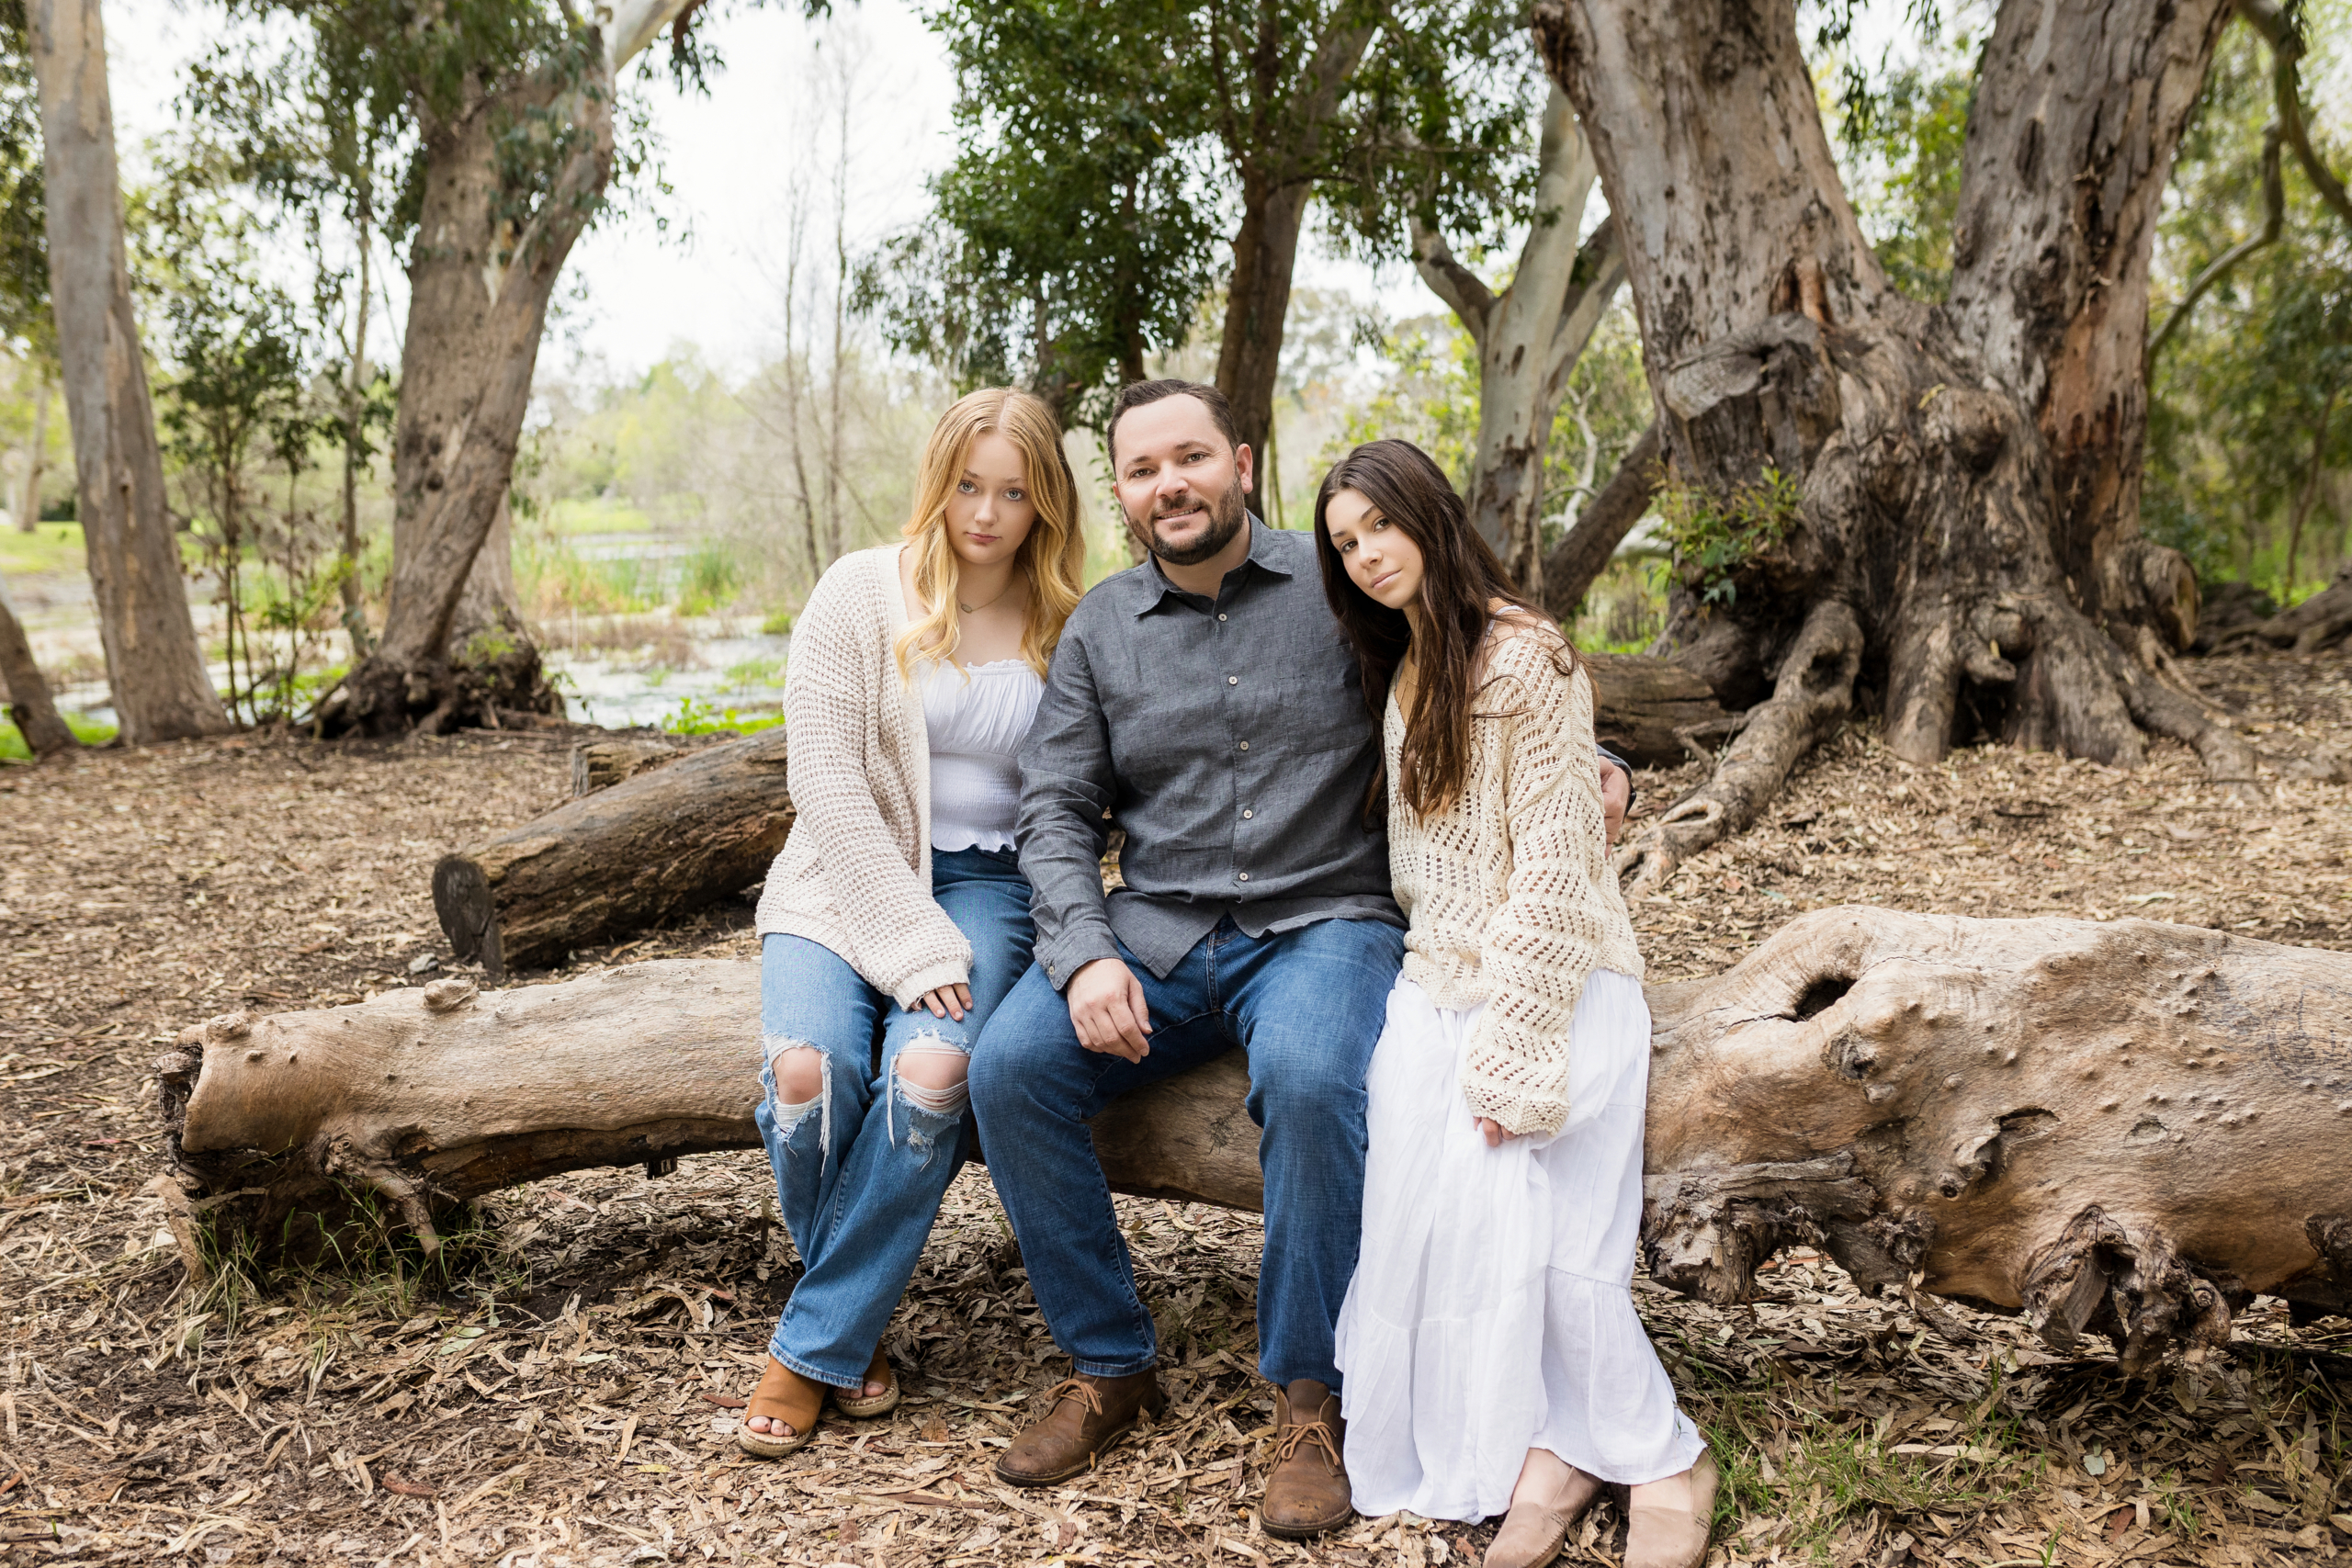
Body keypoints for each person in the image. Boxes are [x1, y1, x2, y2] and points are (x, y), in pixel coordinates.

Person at [967, 380, 1632, 1539]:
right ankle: (1111, 1363)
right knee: (1007, 1071)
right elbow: (1057, 810)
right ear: (1120, 493)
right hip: (1158, 927)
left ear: (1239, 459)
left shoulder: (1337, 584)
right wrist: (1078, 958)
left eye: (1190, 458)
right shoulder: (1098, 629)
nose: (1169, 484)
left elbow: (1476, 662)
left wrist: (1596, 753)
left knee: (1321, 1082)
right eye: (1141, 469)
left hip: (1326, 921)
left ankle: (1310, 1396)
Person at [1317, 440, 1715, 1568]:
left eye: (1379, 528)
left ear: (1430, 517)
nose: (1365, 557)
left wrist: (1515, 1049)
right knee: (1430, 1229)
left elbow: (1551, 866)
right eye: (1344, 545)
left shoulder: (1524, 658)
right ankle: (1553, 1447)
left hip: (1551, 987)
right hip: (1433, 982)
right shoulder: (1407, 665)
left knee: (1544, 1237)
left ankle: (1660, 1453)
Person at [736, 387, 1088, 1458]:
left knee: (932, 1075)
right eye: (969, 485)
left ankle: (811, 1346)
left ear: (1045, 505)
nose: (986, 512)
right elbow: (826, 782)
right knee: (806, 1071)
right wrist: (911, 945)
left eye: (1014, 492)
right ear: (939, 480)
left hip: (991, 887)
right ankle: (856, 1323)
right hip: (841, 879)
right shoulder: (857, 591)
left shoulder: (1072, 618)